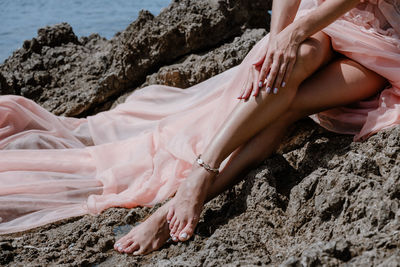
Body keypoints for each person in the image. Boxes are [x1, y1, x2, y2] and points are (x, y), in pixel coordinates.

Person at [0, 0, 399, 257]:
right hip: (327, 23)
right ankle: (194, 182)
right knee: (284, 74)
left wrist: (293, 33)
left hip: (385, 49)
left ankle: (192, 186)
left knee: (284, 106)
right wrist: (276, 41)